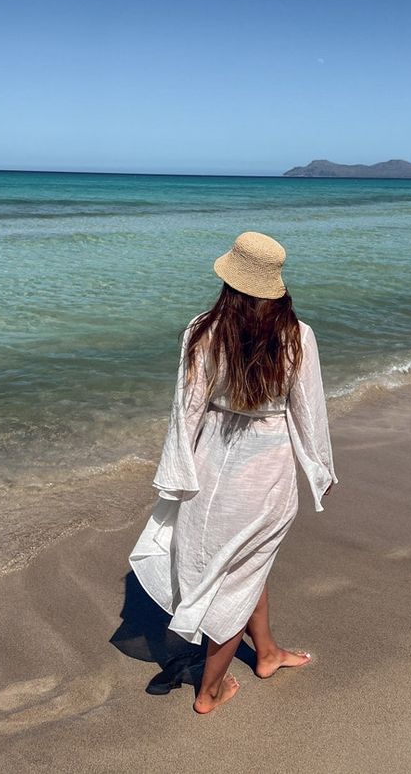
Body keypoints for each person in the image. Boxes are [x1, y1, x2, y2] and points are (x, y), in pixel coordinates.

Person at [129, 230, 337, 714]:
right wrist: (320, 469)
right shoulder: (297, 335)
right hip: (266, 476)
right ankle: (209, 691)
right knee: (237, 576)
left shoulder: (202, 329)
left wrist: (178, 473)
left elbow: (187, 412)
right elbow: (308, 411)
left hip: (208, 468)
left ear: (230, 279)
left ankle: (266, 653)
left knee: (239, 563)